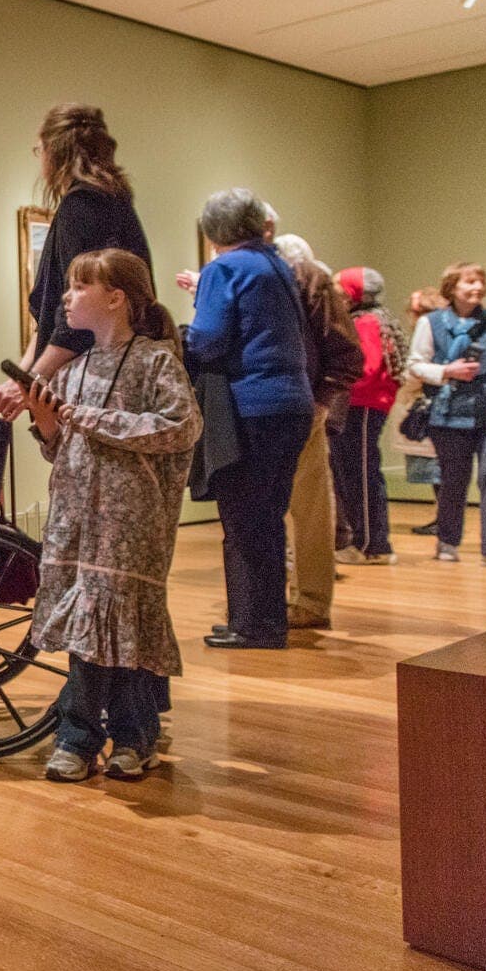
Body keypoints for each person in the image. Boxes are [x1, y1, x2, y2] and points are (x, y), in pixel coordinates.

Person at [20, 249, 199, 782]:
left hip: (129, 525)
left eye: (79, 288)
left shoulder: (155, 361)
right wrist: (48, 424)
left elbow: (181, 427)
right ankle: (128, 735)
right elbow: (63, 449)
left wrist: (91, 418)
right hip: (76, 522)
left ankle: (85, 736)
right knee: (90, 630)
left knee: (119, 629)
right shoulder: (72, 371)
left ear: (115, 298)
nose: (67, 298)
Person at [185, 189, 314, 650]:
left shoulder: (225, 268)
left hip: (252, 404)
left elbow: (208, 339)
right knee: (267, 517)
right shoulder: (275, 264)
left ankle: (254, 625)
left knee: (244, 519)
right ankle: (259, 618)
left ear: (213, 231)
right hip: (292, 402)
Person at [0, 104, 151, 421]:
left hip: (99, 380)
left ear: (54, 150)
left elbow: (76, 316)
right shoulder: (111, 200)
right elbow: (52, 314)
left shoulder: (82, 204)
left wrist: (32, 380)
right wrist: (20, 379)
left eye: (40, 149)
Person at [406, 262, 486, 569]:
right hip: (447, 415)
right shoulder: (430, 323)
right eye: (469, 281)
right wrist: (447, 371)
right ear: (452, 287)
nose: (478, 288)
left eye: (480, 281)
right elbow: (415, 364)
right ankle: (447, 542)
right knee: (452, 481)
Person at [271, 232, 361, 629]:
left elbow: (346, 353)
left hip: (304, 404)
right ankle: (281, 597)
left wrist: (321, 402)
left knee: (309, 508)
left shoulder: (311, 281)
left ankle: (310, 600)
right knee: (284, 509)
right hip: (276, 405)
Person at [330, 267, 403, 564]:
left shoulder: (366, 323)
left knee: (360, 475)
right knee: (354, 473)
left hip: (361, 406)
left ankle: (373, 545)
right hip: (363, 405)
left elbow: (367, 368)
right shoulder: (372, 320)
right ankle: (366, 541)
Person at [393, 288, 448, 536]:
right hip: (427, 405)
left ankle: (444, 519)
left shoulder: (435, 338)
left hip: (430, 407)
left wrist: (402, 381)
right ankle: (443, 518)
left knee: (439, 468)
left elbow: (418, 374)